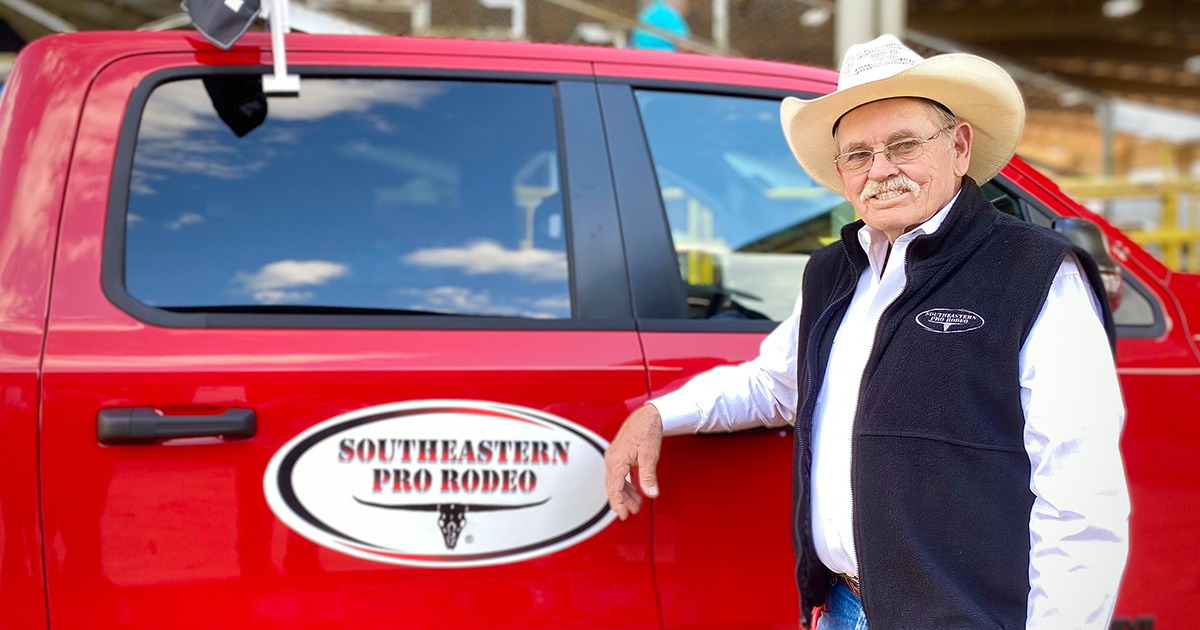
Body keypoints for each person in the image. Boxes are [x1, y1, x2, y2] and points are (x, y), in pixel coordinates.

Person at [603, 35, 1130, 630]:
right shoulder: (834, 272)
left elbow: (1081, 499)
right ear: (841, 173)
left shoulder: (1034, 273)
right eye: (857, 155)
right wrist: (658, 414)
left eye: (903, 145)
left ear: (959, 146)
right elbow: (776, 384)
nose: (880, 170)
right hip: (845, 610)